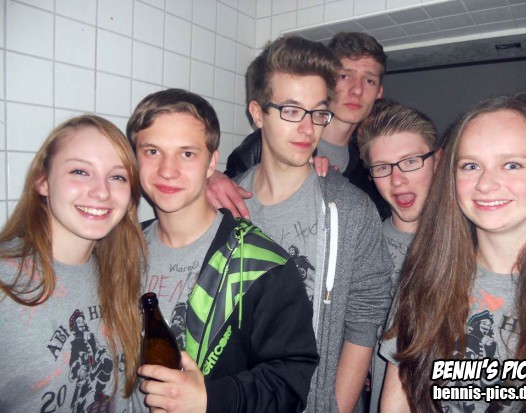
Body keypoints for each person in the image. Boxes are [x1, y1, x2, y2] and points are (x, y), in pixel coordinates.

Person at [126, 88, 319, 413]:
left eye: (187, 153)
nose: (167, 170)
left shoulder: (265, 266)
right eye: (152, 151)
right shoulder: (121, 252)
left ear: (211, 163)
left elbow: (290, 384)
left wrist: (209, 399)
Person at [234, 35, 393, 413]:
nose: (308, 128)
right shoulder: (222, 206)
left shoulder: (352, 208)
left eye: (318, 112)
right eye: (291, 110)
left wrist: (335, 406)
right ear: (258, 113)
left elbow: (366, 313)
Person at [380, 92, 526, 412]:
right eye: (471, 165)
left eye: (512, 165)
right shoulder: (426, 275)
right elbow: (398, 400)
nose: (485, 184)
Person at [0, 115, 146, 412]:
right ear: (43, 181)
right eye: (80, 171)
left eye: (117, 177)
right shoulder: (6, 280)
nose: (102, 192)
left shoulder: (123, 272)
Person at [207, 31, 390, 220]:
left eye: (369, 80)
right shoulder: (263, 143)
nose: (357, 90)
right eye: (344, 76)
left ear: (379, 91)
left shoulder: (368, 163)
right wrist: (208, 180)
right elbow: (227, 193)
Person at [357, 98, 441, 411]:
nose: (397, 179)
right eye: (382, 167)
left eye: (410, 161)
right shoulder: (361, 247)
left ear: (438, 160)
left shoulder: (474, 246)